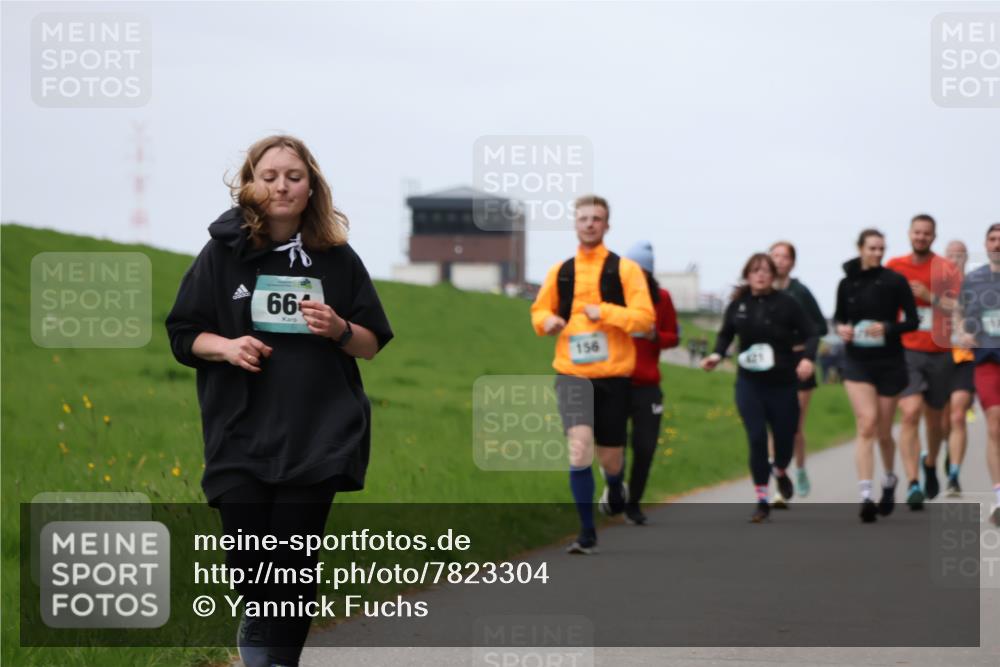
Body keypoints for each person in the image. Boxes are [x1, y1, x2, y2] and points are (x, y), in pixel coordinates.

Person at [165, 135, 393, 667]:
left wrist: (338, 327)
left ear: (311, 185)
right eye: (269, 176)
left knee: (292, 567)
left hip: (318, 433)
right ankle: (258, 623)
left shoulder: (337, 259)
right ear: (250, 183)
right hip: (239, 433)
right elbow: (183, 333)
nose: (282, 186)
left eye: (293, 176)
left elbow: (372, 343)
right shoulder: (221, 254)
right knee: (250, 566)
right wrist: (226, 346)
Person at [530, 195, 654, 554]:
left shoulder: (625, 271)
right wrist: (548, 322)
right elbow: (539, 312)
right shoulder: (561, 271)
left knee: (610, 457)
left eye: (596, 218)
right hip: (571, 374)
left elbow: (645, 319)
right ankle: (587, 533)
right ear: (575, 223)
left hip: (614, 377)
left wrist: (606, 312)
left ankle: (615, 483)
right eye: (583, 218)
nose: (589, 223)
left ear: (606, 225)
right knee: (579, 448)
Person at [701, 253, 817, 523]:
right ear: (748, 275)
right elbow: (726, 334)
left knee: (785, 438)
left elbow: (812, 332)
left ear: (774, 275)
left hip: (783, 383)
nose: (761, 275)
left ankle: (780, 470)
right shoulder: (739, 305)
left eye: (766, 270)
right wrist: (717, 355)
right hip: (749, 383)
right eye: (755, 270)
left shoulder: (788, 304)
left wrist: (807, 359)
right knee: (756, 438)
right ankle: (762, 499)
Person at [834, 229, 919, 522]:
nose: (877, 253)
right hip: (858, 361)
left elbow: (913, 320)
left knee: (884, 432)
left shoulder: (895, 281)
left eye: (881, 248)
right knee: (866, 424)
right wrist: (841, 329)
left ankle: (890, 479)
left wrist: (887, 327)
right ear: (860, 249)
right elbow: (839, 317)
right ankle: (866, 495)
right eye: (872, 248)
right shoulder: (847, 283)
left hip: (889, 362)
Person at [886, 214, 962, 509]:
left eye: (926, 233)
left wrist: (931, 296)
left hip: (939, 350)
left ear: (934, 236)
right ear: (909, 234)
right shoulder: (895, 267)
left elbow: (959, 307)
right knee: (910, 413)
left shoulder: (945, 268)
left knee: (935, 421)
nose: (921, 237)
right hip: (906, 351)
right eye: (916, 232)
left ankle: (930, 462)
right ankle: (913, 481)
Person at [623, 241, 680, 525]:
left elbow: (674, 336)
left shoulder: (663, 298)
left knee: (645, 447)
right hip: (616, 381)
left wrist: (655, 336)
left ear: (648, 272)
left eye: (639, 269)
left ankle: (633, 503)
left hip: (647, 384)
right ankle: (615, 488)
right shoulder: (614, 296)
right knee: (613, 444)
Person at [769, 241, 828, 503]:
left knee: (793, 427)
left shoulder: (800, 292)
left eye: (785, 257)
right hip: (772, 362)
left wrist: (805, 351)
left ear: (793, 262)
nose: (780, 261)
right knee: (773, 426)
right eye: (776, 256)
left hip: (799, 360)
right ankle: (779, 481)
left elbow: (820, 327)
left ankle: (800, 469)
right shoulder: (763, 290)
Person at [956, 223, 1000, 526]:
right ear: (985, 244)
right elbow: (959, 313)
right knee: (995, 425)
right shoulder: (973, 279)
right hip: (987, 360)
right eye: (993, 239)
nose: (997, 244)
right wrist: (962, 332)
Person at [941, 240, 975, 496]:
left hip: (965, 357)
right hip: (938, 357)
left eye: (959, 255)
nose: (955, 259)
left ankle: (954, 475)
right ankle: (942, 451)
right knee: (941, 422)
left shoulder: (976, 286)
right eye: (951, 255)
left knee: (958, 415)